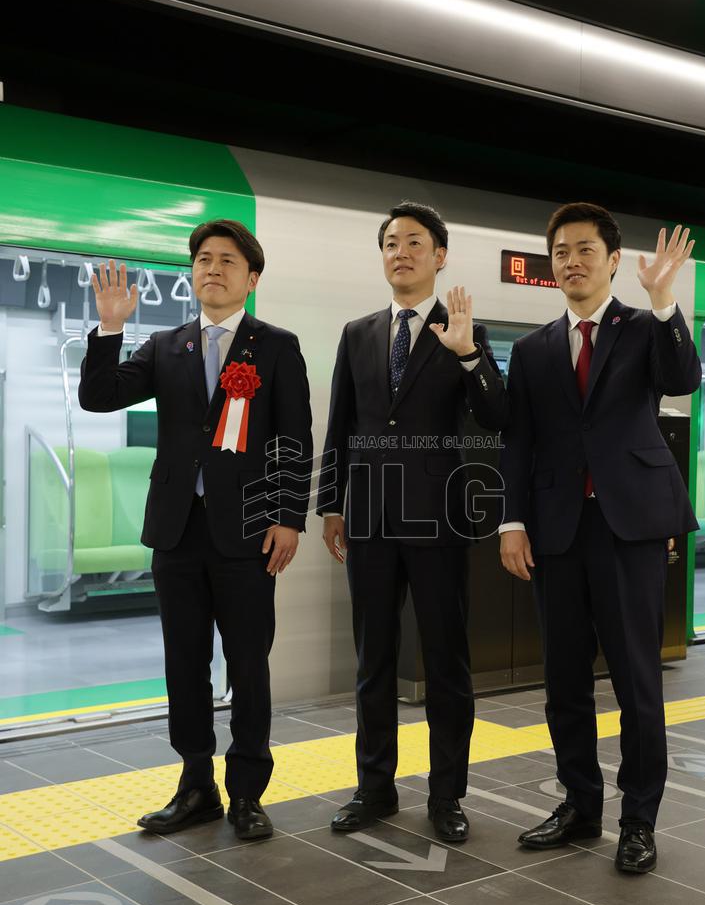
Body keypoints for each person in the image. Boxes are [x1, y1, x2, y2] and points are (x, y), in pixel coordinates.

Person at [79, 219, 313, 840]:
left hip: (249, 534)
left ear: (251, 278)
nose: (213, 268)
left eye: (228, 261)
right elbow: (99, 397)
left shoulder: (276, 346)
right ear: (192, 272)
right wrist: (109, 328)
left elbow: (295, 440)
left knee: (248, 664)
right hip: (176, 535)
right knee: (183, 664)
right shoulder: (165, 345)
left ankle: (247, 793)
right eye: (203, 259)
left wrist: (289, 518)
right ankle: (195, 785)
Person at [499, 203, 700, 873]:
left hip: (630, 528)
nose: (570, 261)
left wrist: (664, 299)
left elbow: (681, 382)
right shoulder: (531, 351)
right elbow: (518, 443)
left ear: (612, 260)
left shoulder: (645, 329)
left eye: (583, 249)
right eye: (560, 252)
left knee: (637, 681)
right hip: (556, 530)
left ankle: (637, 820)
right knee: (562, 681)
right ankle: (580, 807)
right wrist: (511, 521)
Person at [318, 201, 508, 842]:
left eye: (415, 242)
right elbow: (341, 421)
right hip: (369, 515)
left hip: (438, 518)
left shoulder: (463, 328)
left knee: (447, 661)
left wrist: (467, 357)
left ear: (440, 256)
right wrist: (332, 503)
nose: (401, 252)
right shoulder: (359, 332)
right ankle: (374, 788)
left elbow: (496, 415)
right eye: (391, 242)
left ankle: (447, 796)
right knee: (373, 659)